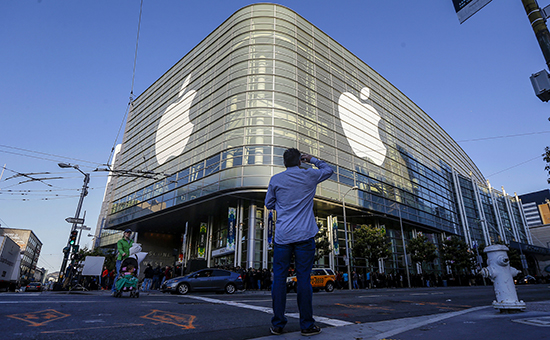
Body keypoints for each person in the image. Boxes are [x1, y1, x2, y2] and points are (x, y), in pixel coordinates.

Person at [265, 148, 333, 336]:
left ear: (284, 163)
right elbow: (329, 170)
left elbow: (269, 204)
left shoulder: (276, 180)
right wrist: (313, 160)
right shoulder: (309, 175)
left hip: (283, 236)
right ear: (300, 161)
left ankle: (278, 324)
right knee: (303, 278)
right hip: (304, 235)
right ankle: (306, 325)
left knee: (279, 279)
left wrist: (282, 202)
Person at [111, 229, 134, 295]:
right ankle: (114, 289)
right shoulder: (120, 241)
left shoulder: (132, 241)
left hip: (128, 260)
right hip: (121, 259)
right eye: (127, 232)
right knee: (119, 274)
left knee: (128, 275)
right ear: (124, 233)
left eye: (129, 233)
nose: (128, 234)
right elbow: (120, 248)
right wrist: (122, 253)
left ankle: (124, 287)